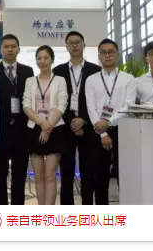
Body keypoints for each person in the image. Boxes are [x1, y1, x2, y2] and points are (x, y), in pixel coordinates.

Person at [85, 38, 137, 204]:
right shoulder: (91, 79)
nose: (107, 55)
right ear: (99, 56)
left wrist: (109, 122)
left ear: (117, 55)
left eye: (111, 52)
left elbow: (128, 105)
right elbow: (91, 107)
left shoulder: (129, 79)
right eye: (104, 52)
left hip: (123, 130)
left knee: (125, 176)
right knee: (100, 178)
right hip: (98, 132)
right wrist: (103, 133)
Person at [52, 31, 101, 205]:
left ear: (84, 45)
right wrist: (72, 121)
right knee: (66, 172)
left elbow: (98, 99)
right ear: (66, 47)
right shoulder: (58, 71)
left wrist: (83, 120)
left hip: (89, 127)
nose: (74, 45)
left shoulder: (95, 70)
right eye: (71, 43)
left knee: (88, 171)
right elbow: (56, 100)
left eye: (77, 42)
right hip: (66, 127)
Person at [0, 34, 35, 205]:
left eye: (13, 46)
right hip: (0, 132)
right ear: (0, 49)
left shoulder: (28, 71)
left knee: (19, 174)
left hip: (22, 131)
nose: (10, 49)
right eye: (6, 46)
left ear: (19, 49)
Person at [23, 45, 68, 205]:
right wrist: (42, 123)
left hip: (55, 128)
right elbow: (26, 105)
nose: (42, 61)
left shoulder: (60, 80)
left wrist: (48, 127)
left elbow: (62, 104)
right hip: (34, 128)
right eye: (39, 58)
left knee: (50, 176)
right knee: (39, 176)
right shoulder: (30, 81)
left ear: (52, 60)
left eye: (46, 58)